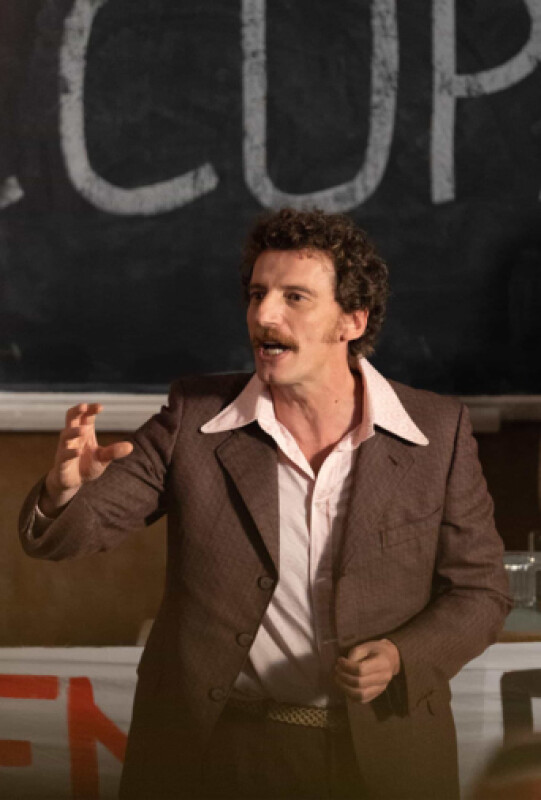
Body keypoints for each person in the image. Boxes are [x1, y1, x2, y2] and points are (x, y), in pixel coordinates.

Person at [19, 208, 511, 800]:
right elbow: (74, 532)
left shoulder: (437, 430)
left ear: (352, 320)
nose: (263, 316)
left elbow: (481, 590)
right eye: (257, 294)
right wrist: (63, 492)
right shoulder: (195, 416)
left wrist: (402, 656)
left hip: (386, 756)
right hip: (216, 752)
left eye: (294, 297)